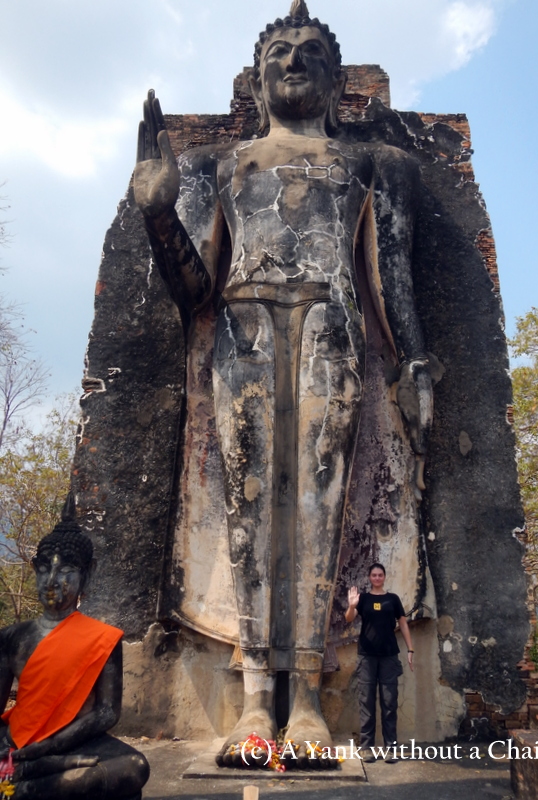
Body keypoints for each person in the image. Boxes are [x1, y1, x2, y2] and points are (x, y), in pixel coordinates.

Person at [134, 0, 432, 760]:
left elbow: (387, 282)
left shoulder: (372, 166)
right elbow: (195, 290)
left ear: (336, 84)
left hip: (330, 328)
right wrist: (161, 213)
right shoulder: (223, 166)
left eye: (309, 53)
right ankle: (255, 700)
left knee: (318, 510)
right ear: (260, 81)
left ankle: (307, 702)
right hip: (244, 330)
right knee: (251, 510)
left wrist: (414, 364)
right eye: (280, 53)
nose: (293, 62)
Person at [0, 501, 149, 799]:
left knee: (135, 767)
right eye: (43, 570)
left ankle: (26, 785)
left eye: (66, 570)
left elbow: (106, 712)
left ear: (87, 574)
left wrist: (52, 747)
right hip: (22, 739)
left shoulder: (103, 638)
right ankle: (35, 775)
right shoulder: (13, 637)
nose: (52, 581)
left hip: (77, 740)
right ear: (34, 570)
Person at [345, 563, 414, 762]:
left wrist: (410, 649)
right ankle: (367, 747)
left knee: (389, 702)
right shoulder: (363, 599)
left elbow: (403, 623)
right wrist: (351, 605)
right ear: (369, 577)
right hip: (366, 656)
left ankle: (390, 748)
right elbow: (349, 618)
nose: (377, 578)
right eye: (374, 575)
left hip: (389, 656)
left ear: (384, 577)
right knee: (366, 701)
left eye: (380, 575)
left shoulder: (392, 599)